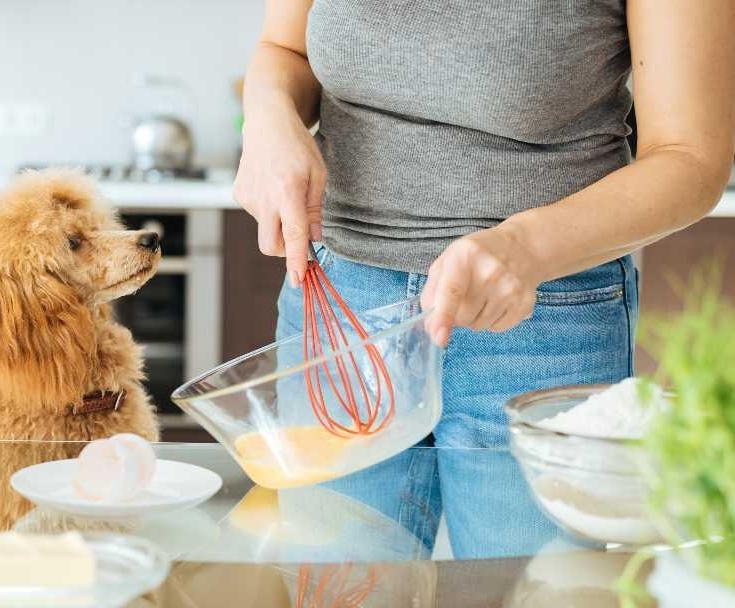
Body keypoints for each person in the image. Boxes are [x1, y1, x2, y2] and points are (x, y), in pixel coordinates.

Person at [233, 0, 734, 558]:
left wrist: (525, 248)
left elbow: (692, 156)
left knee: (529, 595)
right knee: (336, 592)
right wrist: (270, 115)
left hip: (544, 315)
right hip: (340, 310)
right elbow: (286, 50)